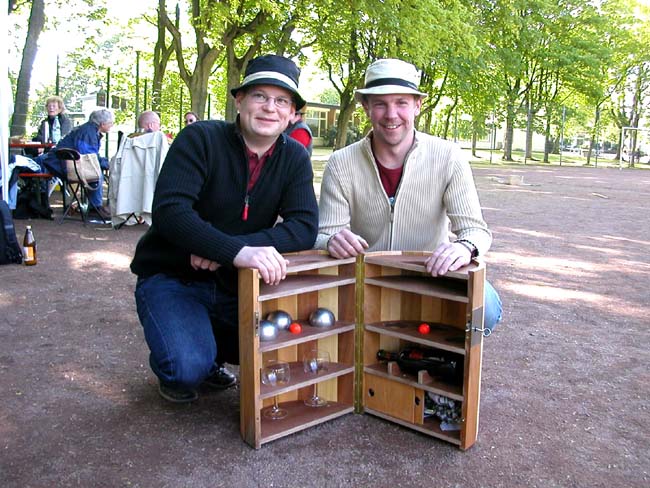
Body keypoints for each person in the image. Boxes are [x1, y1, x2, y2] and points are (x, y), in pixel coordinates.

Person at [130, 54, 318, 403]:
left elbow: (304, 227)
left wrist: (228, 251)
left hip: (236, 281)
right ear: (239, 100)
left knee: (286, 345)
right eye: (260, 96)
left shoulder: (294, 157)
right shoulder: (200, 138)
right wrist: (237, 252)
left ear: (293, 113)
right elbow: (170, 212)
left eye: (281, 101)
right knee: (185, 370)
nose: (270, 108)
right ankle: (188, 360)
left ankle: (209, 353)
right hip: (174, 276)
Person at [315, 58, 502, 333]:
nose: (391, 114)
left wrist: (464, 248)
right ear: (366, 107)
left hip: (430, 272)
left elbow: (476, 231)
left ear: (417, 105)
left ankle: (445, 355)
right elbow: (322, 235)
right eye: (380, 104)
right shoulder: (341, 163)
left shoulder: (448, 157)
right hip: (364, 275)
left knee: (486, 308)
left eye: (401, 102)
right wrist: (332, 240)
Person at [38, 108, 114, 221]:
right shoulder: (88, 132)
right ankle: (95, 209)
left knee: (97, 172)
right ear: (102, 124)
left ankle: (95, 207)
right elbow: (88, 157)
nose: (112, 125)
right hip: (63, 165)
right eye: (111, 123)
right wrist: (107, 164)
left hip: (60, 162)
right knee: (96, 175)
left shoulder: (88, 130)